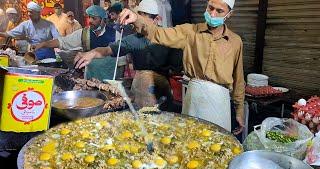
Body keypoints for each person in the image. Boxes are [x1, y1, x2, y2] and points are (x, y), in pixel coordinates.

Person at [118, 0, 245, 134]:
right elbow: (159, 34)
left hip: (220, 101)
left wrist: (239, 110)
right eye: (210, 8)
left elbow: (238, 78)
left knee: (219, 145)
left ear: (229, 14)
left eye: (219, 11)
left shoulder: (235, 42)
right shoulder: (190, 32)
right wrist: (136, 19)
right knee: (189, 143)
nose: (212, 14)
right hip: (195, 98)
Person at [74, 0, 183, 108]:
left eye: (143, 21)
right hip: (140, 88)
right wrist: (93, 53)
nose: (138, 25)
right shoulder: (134, 39)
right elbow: (109, 50)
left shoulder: (167, 38)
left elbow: (177, 66)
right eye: (137, 20)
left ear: (157, 19)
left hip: (162, 89)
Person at [34, 5, 116, 80]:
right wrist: (44, 44)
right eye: (89, 17)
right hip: (91, 77)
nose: (90, 20)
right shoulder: (84, 33)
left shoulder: (115, 34)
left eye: (94, 18)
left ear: (103, 20)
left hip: (110, 76)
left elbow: (122, 61)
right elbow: (63, 42)